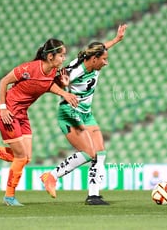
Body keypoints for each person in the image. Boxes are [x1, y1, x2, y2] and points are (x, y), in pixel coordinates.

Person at [0, 38, 78, 206]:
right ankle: (9, 196)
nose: (64, 58)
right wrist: (3, 107)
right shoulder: (29, 69)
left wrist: (64, 90)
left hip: (22, 114)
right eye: (61, 55)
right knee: (20, 157)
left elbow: (47, 85)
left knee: (25, 157)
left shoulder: (53, 72)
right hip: (8, 113)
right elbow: (4, 81)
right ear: (50, 56)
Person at [40, 24, 127, 205]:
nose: (106, 62)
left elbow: (102, 47)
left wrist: (116, 40)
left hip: (86, 114)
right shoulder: (75, 71)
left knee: (100, 152)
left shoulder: (93, 61)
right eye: (104, 59)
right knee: (89, 153)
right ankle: (51, 176)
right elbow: (50, 84)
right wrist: (63, 87)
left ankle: (93, 195)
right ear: (94, 59)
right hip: (69, 113)